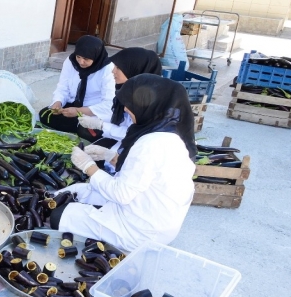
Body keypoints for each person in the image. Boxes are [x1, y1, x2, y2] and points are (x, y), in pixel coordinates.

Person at [50, 74, 197, 252]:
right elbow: (145, 174)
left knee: (58, 216)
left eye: (131, 105)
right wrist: (110, 155)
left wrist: (88, 167)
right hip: (154, 213)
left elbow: (121, 194)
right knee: (76, 190)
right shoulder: (171, 136)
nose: (126, 109)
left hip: (141, 230)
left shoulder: (149, 144)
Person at [77, 47, 163, 152]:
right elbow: (122, 121)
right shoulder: (129, 90)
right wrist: (96, 121)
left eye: (118, 67)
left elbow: (135, 134)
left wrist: (101, 125)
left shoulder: (148, 101)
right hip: (122, 142)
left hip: (138, 151)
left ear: (134, 69)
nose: (113, 71)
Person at [38, 35, 115, 142]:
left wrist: (79, 111)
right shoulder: (70, 62)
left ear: (96, 56)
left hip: (93, 110)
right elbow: (63, 87)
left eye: (86, 59)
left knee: (86, 131)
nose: (81, 62)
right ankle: (74, 125)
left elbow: (108, 104)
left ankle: (77, 126)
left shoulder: (107, 69)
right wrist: (58, 102)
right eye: (78, 57)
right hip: (72, 105)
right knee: (44, 114)